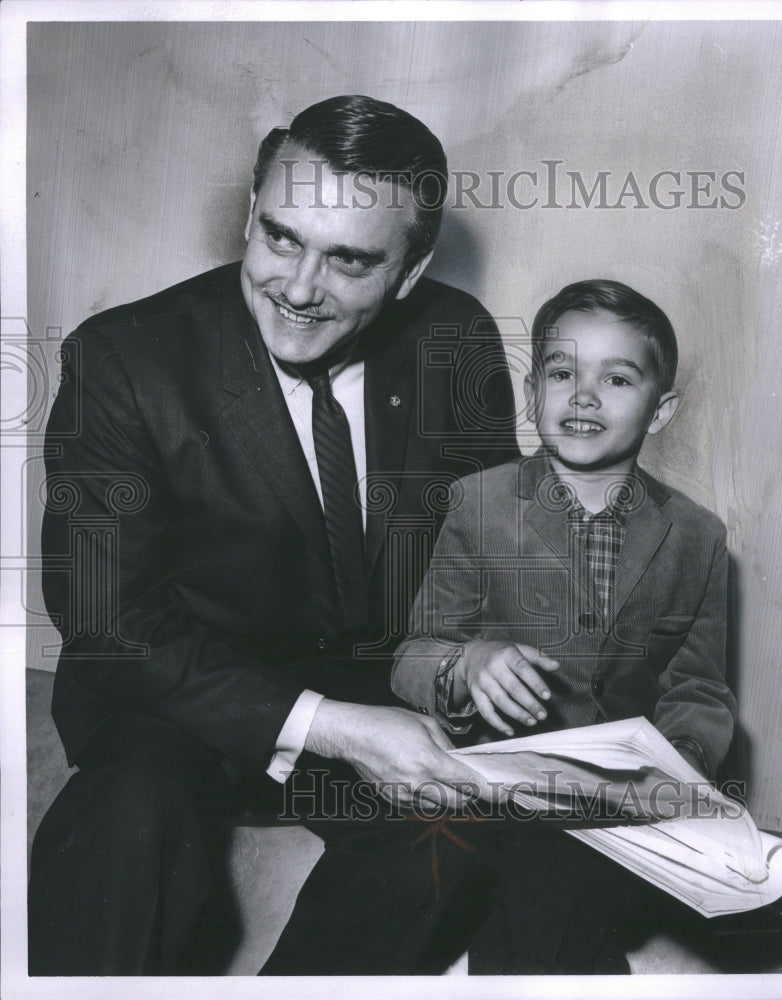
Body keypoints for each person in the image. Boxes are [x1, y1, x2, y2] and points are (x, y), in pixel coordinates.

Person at [29, 94, 520, 975]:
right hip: (183, 695)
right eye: (281, 237)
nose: (298, 289)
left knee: (457, 832)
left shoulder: (459, 339)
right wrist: (333, 726)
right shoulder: (124, 359)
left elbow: (490, 553)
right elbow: (109, 623)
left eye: (350, 261)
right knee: (125, 814)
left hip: (381, 686)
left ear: (410, 271)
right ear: (252, 212)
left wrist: (473, 660)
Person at [263, 278, 737, 975]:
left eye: (616, 378)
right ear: (530, 392)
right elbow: (415, 655)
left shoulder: (697, 536)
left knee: (562, 882)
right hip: (486, 787)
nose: (582, 395)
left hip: (613, 813)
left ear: (660, 410)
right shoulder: (477, 504)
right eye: (561, 372)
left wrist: (680, 763)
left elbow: (698, 686)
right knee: (422, 861)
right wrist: (468, 663)